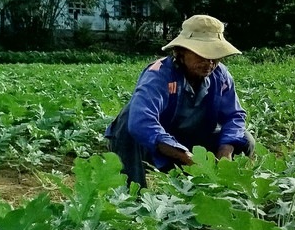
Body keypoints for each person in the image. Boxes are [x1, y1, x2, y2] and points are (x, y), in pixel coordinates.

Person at [106, 14, 255, 188]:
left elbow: (234, 116)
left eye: (215, 56)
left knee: (245, 139)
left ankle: (223, 188)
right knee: (128, 119)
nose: (209, 62)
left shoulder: (220, 75)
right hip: (158, 144)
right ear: (180, 52)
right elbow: (142, 122)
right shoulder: (159, 74)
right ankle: (132, 194)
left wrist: (225, 151)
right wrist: (185, 157)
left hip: (194, 138)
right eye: (202, 54)